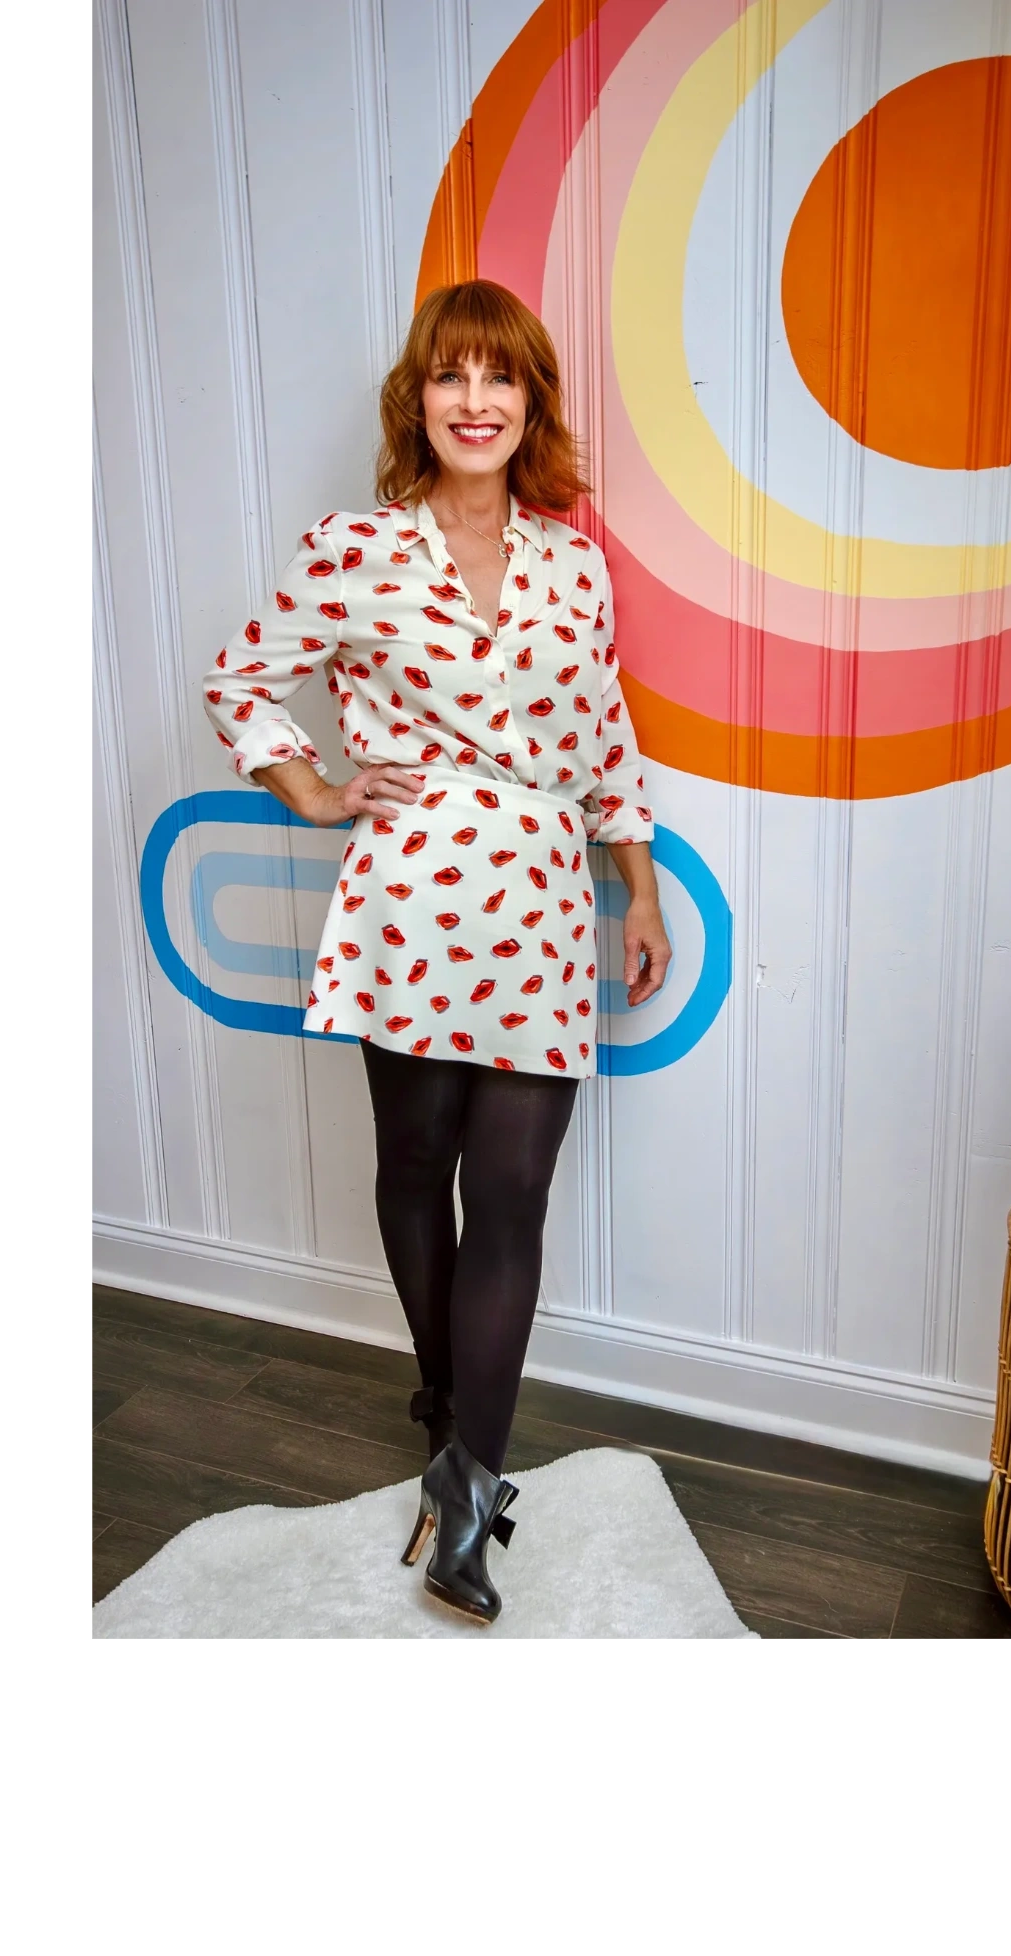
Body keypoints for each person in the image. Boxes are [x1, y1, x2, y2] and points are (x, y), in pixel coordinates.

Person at [202, 280, 669, 1624]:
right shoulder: (351, 549)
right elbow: (242, 677)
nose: (476, 401)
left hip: (533, 896)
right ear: (421, 400)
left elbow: (605, 742)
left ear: (531, 406)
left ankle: (469, 1487)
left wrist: (634, 890)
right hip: (407, 900)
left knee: (509, 1192)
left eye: (501, 379)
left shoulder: (576, 561)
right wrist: (314, 785)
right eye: (452, 377)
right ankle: (438, 1393)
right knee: (415, 1167)